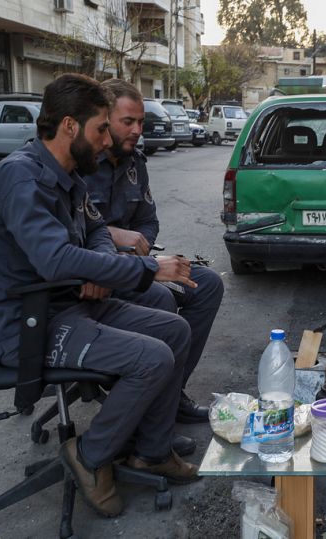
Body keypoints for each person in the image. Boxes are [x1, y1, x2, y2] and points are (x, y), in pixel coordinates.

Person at [0, 73, 200, 518]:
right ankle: (90, 456)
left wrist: (107, 264)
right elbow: (55, 260)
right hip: (29, 326)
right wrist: (145, 269)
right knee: (150, 357)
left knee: (173, 328)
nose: (106, 140)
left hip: (64, 305)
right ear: (71, 126)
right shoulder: (22, 179)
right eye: (100, 129)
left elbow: (94, 229)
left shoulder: (67, 173)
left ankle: (150, 450)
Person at [83, 79, 224, 424]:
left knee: (206, 283)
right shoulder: (81, 165)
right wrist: (115, 237)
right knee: (161, 298)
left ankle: (170, 395)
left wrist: (137, 243)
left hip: (136, 264)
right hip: (96, 274)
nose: (136, 130)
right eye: (126, 122)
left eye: (141, 122)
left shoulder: (135, 164)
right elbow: (70, 237)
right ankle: (148, 410)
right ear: (103, 120)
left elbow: (149, 222)